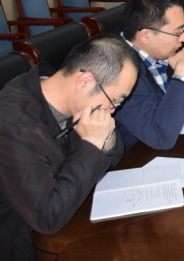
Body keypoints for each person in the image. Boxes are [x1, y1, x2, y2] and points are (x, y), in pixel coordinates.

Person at [0, 35, 139, 259]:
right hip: (27, 244)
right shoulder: (14, 125)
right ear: (84, 81)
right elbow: (47, 217)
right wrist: (92, 144)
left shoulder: (65, 95)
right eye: (115, 100)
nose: (113, 110)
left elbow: (114, 155)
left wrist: (104, 140)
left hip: (74, 219)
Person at [116, 0, 184, 150]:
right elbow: (160, 137)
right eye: (177, 32)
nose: (183, 38)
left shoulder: (160, 51)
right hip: (134, 156)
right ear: (146, 35)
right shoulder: (120, 69)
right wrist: (183, 73)